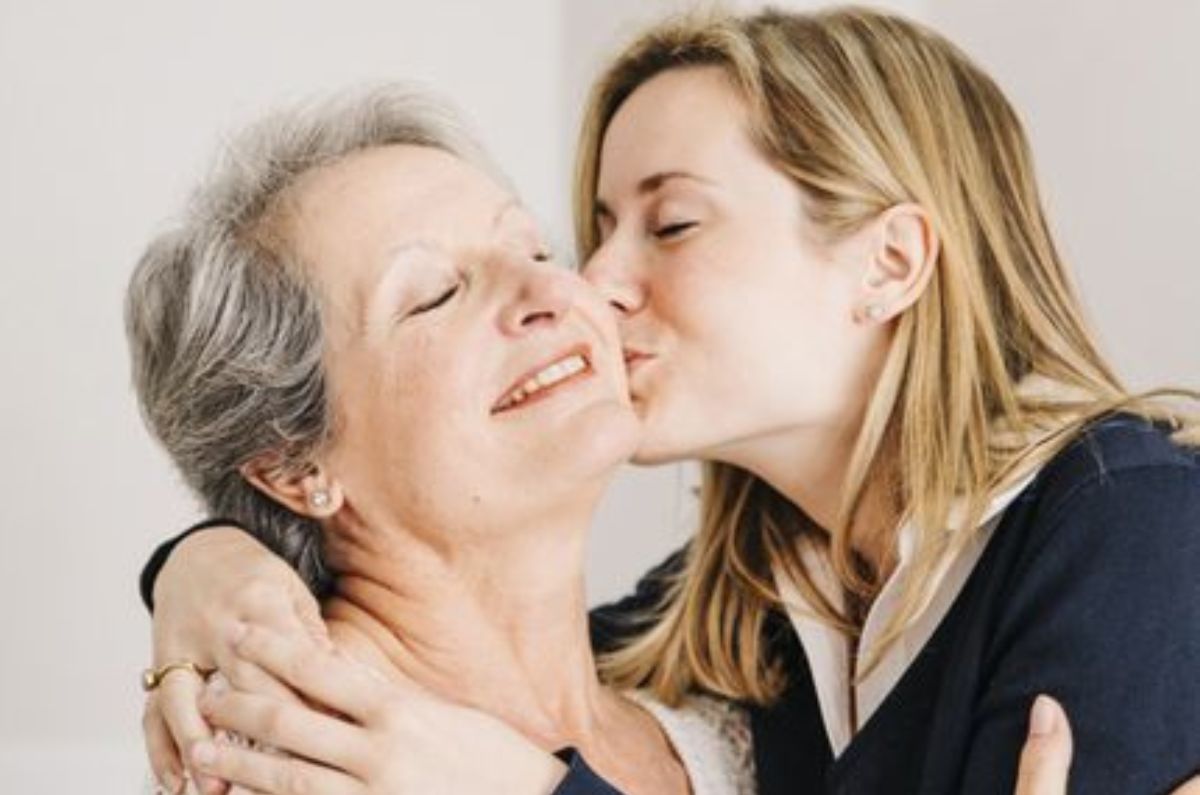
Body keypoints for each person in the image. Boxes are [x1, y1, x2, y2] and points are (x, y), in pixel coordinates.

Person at [137, 7, 1200, 795]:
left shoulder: (1121, 523)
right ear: (290, 461)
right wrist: (203, 564)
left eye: (673, 225)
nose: (582, 286)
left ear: (890, 264)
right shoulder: (748, 621)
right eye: (436, 294)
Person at [126, 86, 755, 795]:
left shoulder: (727, 706)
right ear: (295, 464)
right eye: (433, 294)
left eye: (536, 248)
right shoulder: (278, 770)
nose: (547, 290)